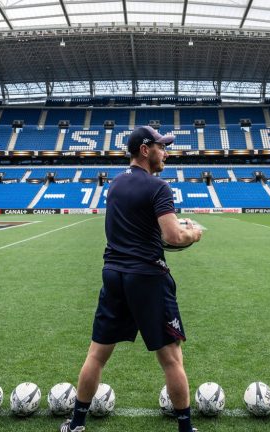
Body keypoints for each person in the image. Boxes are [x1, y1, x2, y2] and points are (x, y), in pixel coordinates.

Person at [60, 126, 203, 432]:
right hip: (148, 278)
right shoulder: (158, 187)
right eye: (161, 147)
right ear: (144, 149)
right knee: (171, 359)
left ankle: (76, 425)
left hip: (114, 274)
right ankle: (186, 429)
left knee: (96, 355)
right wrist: (193, 233)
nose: (166, 152)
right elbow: (172, 236)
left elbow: (140, 227)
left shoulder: (115, 185)